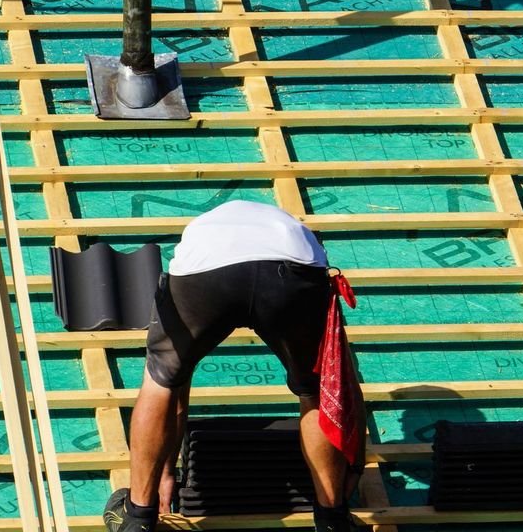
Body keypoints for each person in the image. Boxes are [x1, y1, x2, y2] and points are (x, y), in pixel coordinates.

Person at [104, 200, 366, 532]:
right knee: (315, 391)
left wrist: (165, 472)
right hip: (291, 274)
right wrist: (355, 464)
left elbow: (175, 391)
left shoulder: (206, 227)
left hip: (205, 272)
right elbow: (341, 387)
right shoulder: (302, 240)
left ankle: (139, 515)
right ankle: (332, 518)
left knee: (162, 379)